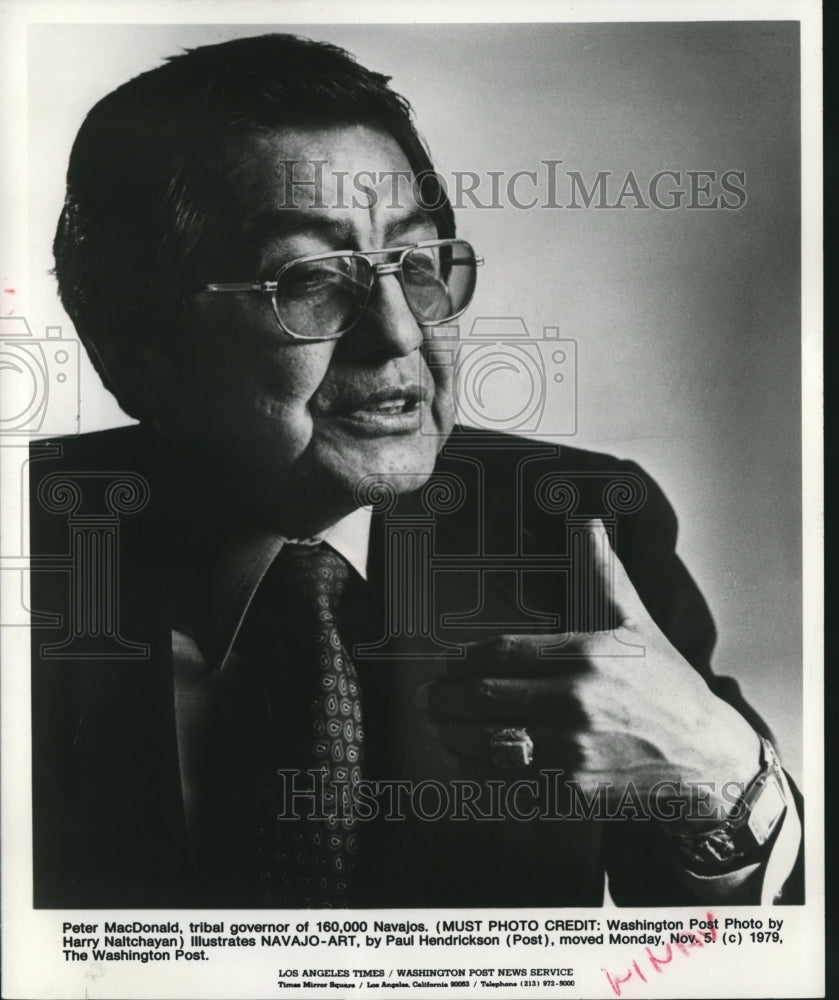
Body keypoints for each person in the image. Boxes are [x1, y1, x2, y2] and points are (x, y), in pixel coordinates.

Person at [30, 33, 802, 909]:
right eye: (308, 279)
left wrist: (711, 774)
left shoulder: (577, 530)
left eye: (416, 262)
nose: (397, 332)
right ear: (135, 352)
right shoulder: (33, 548)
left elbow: (760, 952)